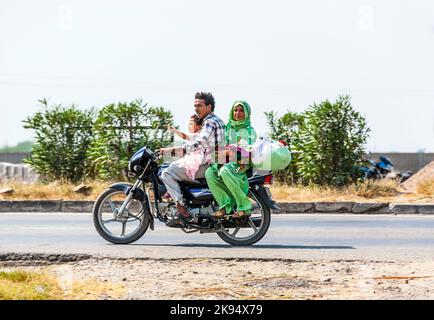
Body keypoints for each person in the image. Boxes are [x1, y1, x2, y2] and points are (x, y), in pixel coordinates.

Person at [159, 92, 226, 221]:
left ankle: (181, 207)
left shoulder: (209, 123)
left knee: (167, 173)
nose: (196, 109)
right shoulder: (218, 120)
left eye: (199, 105)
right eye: (195, 106)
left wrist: (169, 151)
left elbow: (196, 144)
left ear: (209, 107)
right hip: (215, 162)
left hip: (207, 165)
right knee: (176, 166)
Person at [205, 100, 257, 219]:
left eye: (241, 110)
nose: (237, 113)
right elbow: (222, 144)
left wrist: (229, 151)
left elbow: (246, 150)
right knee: (209, 173)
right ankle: (225, 205)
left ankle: (243, 206)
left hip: (242, 161)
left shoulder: (249, 131)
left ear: (247, 113)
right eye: (235, 110)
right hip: (227, 160)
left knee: (224, 171)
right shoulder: (228, 128)